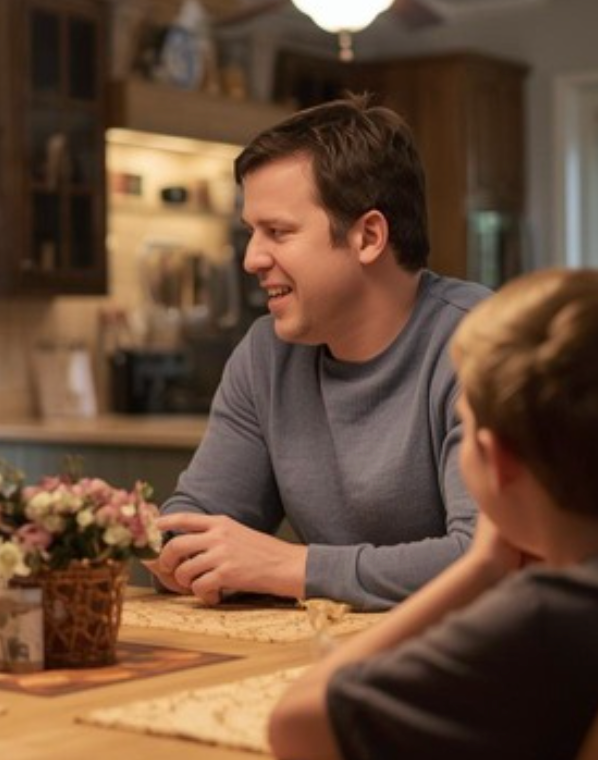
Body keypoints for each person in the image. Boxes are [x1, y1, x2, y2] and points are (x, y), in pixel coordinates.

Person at [268, 269, 598, 760]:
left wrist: (479, 568)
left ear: (497, 462)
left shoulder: (536, 625)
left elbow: (296, 725)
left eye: (464, 427)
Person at [151, 94, 488, 610]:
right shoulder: (266, 355)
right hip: (331, 647)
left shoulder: (484, 345)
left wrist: (293, 568)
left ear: (368, 236)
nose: (251, 259)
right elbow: (193, 524)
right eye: (252, 233)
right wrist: (178, 551)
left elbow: (485, 560)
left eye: (277, 232)